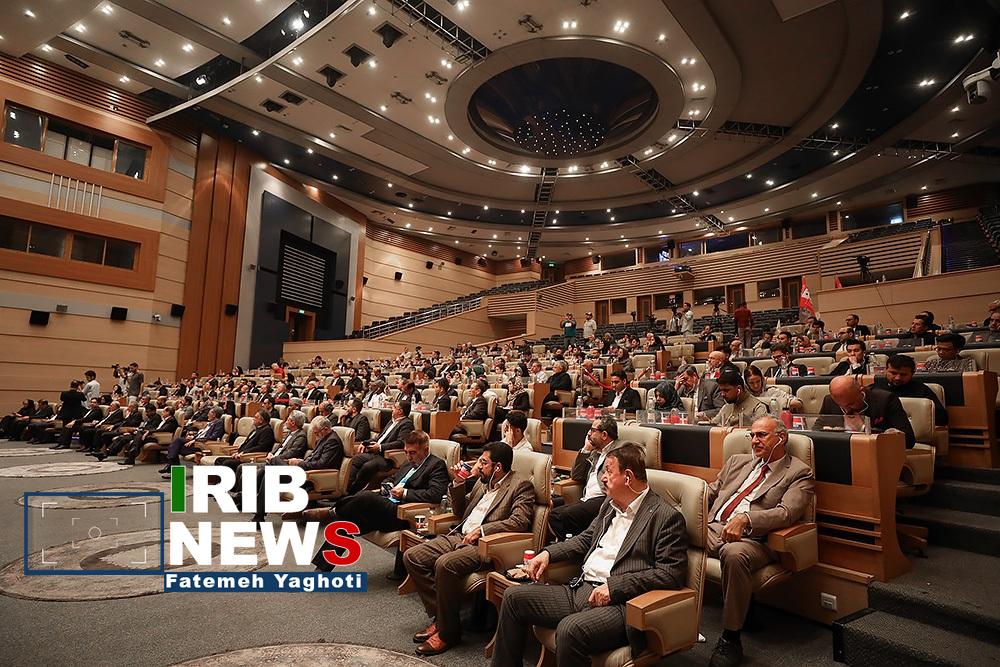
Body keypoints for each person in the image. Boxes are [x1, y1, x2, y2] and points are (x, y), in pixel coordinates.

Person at [491, 443, 688, 667]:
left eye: (608, 472)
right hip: (581, 590)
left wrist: (615, 587)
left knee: (569, 630)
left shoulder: (665, 517)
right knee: (514, 598)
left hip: (620, 604)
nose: (602, 477)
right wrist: (547, 553)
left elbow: (670, 574)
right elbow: (586, 539)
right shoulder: (609, 505)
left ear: (628, 477)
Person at [404, 442, 534, 656]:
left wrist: (482, 531)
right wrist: (458, 483)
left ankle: (448, 633)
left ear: (498, 467)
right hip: (459, 535)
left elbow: (519, 521)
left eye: (483, 462)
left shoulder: (520, 485)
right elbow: (459, 511)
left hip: (485, 545)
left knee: (444, 564)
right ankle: (442, 619)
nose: (478, 466)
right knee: (413, 556)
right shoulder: (483, 482)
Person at [706, 416, 815, 667]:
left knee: (734, 554)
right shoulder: (738, 462)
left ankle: (731, 638)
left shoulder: (799, 472)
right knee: (672, 526)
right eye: (752, 435)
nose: (754, 440)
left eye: (762, 435)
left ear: (781, 438)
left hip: (757, 540)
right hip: (715, 527)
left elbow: (786, 513)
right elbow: (711, 491)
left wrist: (746, 519)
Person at [306, 430, 451, 578]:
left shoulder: (436, 465)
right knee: (346, 524)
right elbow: (392, 478)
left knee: (366, 496)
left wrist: (405, 493)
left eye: (413, 453)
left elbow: (436, 494)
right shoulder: (408, 463)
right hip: (385, 507)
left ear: (425, 449)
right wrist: (387, 485)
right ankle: (321, 570)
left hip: (403, 513)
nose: (408, 457)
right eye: (406, 452)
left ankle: (332, 511)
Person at [549, 415, 632, 539]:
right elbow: (576, 475)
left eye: (593, 430)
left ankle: (578, 542)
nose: (588, 434)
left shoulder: (620, 450)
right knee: (554, 514)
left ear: (604, 435)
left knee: (565, 515)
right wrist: (586, 449)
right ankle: (577, 541)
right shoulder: (595, 452)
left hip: (605, 498)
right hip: (587, 498)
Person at [249, 417, 343, 524]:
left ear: (326, 429)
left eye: (316, 433)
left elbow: (322, 465)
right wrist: (300, 461)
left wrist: (299, 463)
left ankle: (258, 515)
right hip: (306, 471)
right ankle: (258, 515)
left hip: (314, 478)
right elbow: (314, 459)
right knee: (270, 472)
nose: (315, 435)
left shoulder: (332, 441)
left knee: (273, 464)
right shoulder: (325, 437)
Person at [815, 376, 915, 448]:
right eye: (840, 405)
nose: (846, 410)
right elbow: (815, 431)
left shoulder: (886, 400)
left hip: (876, 451)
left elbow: (909, 440)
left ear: (861, 391)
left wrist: (864, 428)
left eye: (850, 404)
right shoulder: (829, 401)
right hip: (841, 450)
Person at [348, 401, 414, 493]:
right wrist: (365, 443)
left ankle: (354, 492)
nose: (392, 409)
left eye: (394, 407)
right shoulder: (391, 421)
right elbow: (380, 438)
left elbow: (401, 443)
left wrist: (380, 447)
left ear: (400, 411)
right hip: (376, 453)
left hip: (388, 458)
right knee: (355, 460)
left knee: (367, 466)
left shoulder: (406, 424)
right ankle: (347, 488)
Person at [873, 354, 948, 426]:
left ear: (912, 373)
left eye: (903, 374)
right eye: (893, 373)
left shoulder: (922, 390)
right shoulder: (876, 389)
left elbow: (942, 418)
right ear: (886, 370)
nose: (898, 378)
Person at [159, 408, 226, 476]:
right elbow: (202, 433)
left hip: (202, 445)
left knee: (174, 448)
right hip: (197, 441)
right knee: (176, 443)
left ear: (214, 415)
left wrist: (195, 440)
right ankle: (173, 468)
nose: (207, 415)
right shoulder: (210, 423)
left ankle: (172, 468)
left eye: (209, 413)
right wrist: (193, 437)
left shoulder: (218, 423)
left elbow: (213, 437)